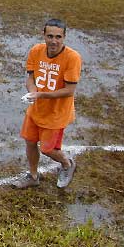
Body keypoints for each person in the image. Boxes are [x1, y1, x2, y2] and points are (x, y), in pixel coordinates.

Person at [13, 18, 82, 189]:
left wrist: (41, 94)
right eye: (50, 36)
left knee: (47, 149)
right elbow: (30, 77)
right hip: (36, 110)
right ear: (43, 35)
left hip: (56, 114)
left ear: (64, 37)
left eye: (58, 37)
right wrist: (32, 91)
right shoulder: (36, 51)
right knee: (29, 141)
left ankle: (67, 163)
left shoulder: (72, 58)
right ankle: (33, 176)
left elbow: (69, 90)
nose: (54, 41)